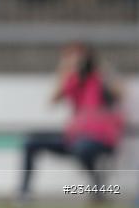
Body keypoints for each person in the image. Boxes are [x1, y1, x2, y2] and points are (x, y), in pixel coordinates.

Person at [18, 43, 124, 204]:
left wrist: (101, 69)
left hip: (100, 138)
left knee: (82, 147)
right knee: (31, 142)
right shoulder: (73, 80)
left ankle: (98, 189)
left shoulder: (100, 78)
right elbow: (53, 99)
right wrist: (64, 70)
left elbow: (120, 94)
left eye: (79, 57)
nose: (76, 61)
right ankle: (24, 193)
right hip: (75, 137)